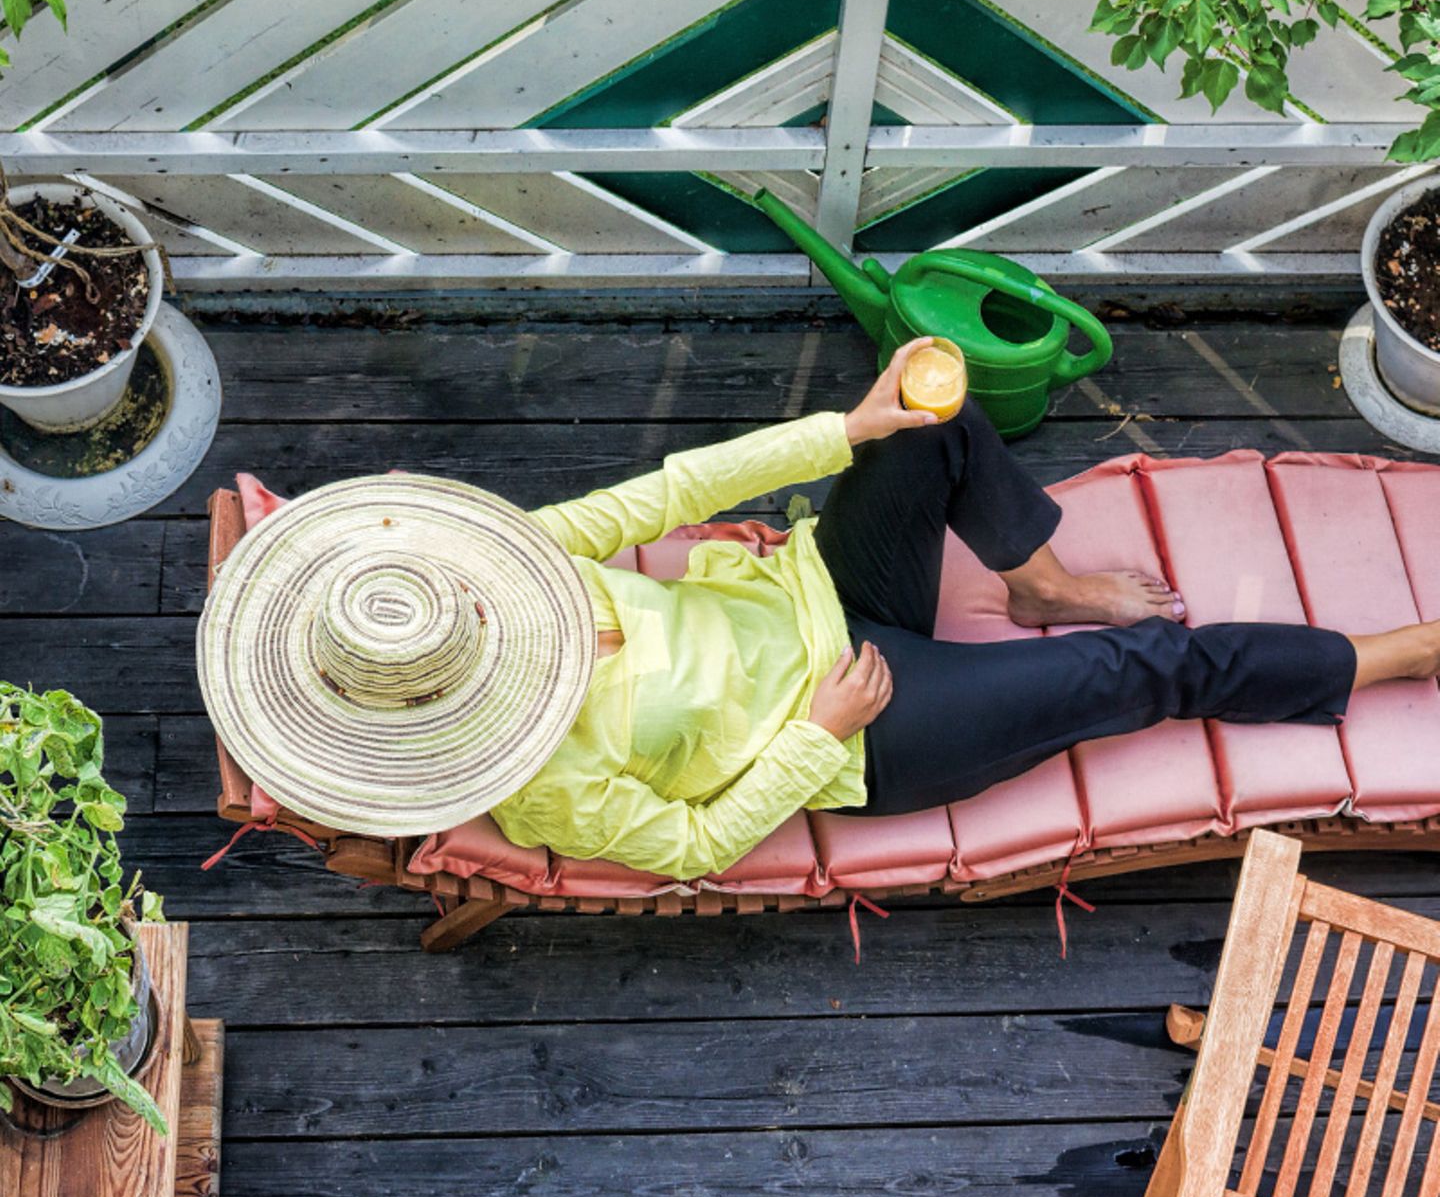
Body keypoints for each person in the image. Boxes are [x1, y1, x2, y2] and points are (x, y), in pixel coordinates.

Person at [198, 339, 1440, 876]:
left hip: (817, 598)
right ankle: (1385, 659)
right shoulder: (540, 786)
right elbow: (690, 851)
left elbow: (670, 491)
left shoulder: (507, 567)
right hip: (871, 731)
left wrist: (846, 428)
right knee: (1137, 673)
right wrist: (819, 732)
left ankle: (1036, 580)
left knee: (925, 432)